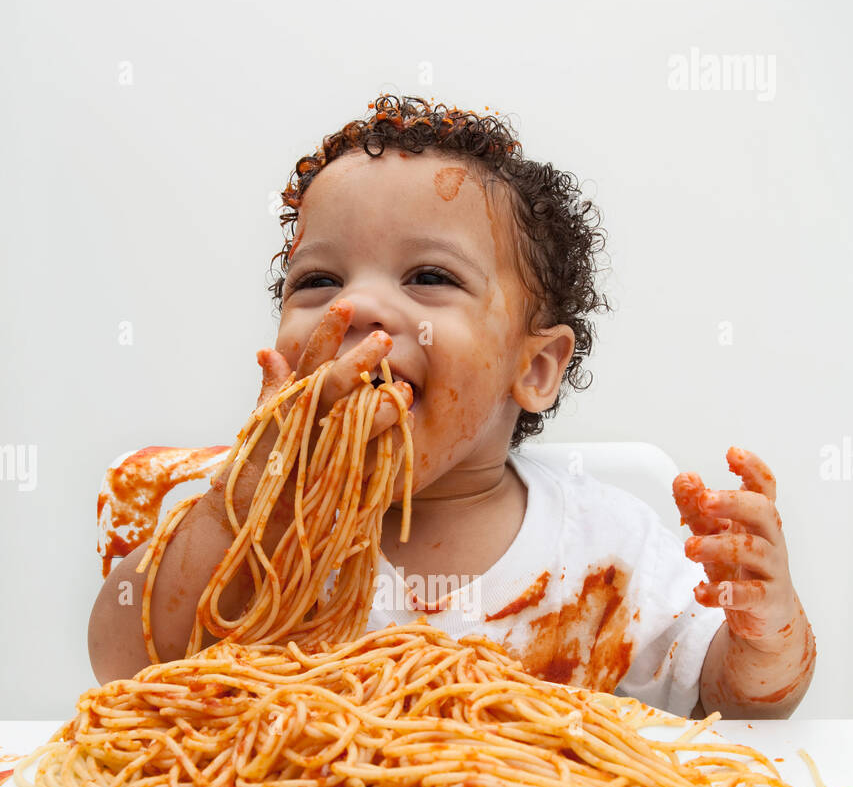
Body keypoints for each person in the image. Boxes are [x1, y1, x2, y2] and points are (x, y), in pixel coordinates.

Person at [88, 95, 815, 719]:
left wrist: (764, 634)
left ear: (532, 368)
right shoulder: (242, 533)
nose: (357, 305)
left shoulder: (603, 554)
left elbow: (731, 709)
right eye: (315, 281)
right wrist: (249, 507)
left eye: (428, 275)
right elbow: (127, 669)